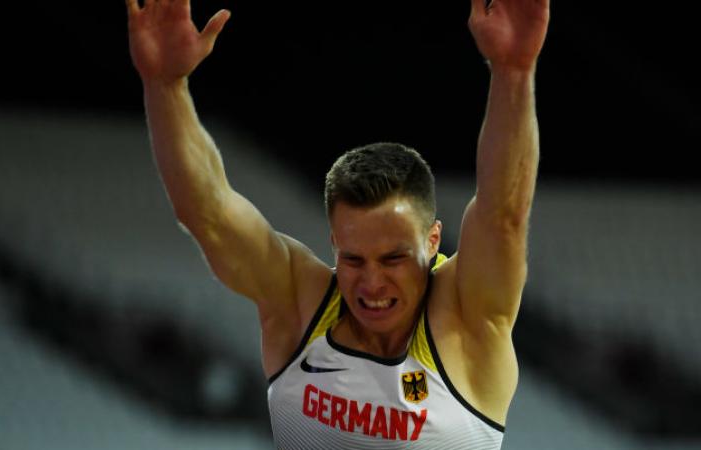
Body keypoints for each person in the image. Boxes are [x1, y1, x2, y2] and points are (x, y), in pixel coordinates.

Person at [125, 0, 549, 448]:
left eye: (393, 258)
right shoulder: (300, 304)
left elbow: (503, 216)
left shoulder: (467, 320)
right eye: (353, 258)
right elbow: (206, 213)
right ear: (333, 243)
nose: (371, 283)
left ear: (433, 240)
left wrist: (514, 74)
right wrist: (166, 88)